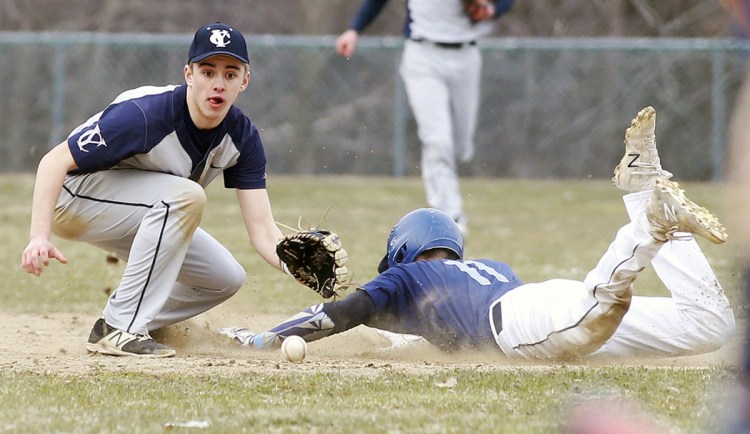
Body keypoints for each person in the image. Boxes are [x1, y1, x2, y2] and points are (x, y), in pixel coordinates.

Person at [220, 106, 736, 359]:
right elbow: (423, 341)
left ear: (402, 254)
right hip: (540, 307)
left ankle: (649, 217)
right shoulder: (480, 273)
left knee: (597, 307)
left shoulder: (407, 282)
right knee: (710, 325)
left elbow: (337, 315)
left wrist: (262, 338)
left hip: (527, 324)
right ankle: (648, 193)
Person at [21, 22, 297, 358]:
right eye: (208, 71)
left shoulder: (241, 137)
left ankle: (145, 323)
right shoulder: (146, 114)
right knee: (185, 196)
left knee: (225, 277)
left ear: (245, 81)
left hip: (145, 209)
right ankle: (119, 326)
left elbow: (263, 231)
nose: (218, 83)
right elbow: (53, 162)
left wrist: (294, 264)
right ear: (189, 74)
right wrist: (39, 235)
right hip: (72, 197)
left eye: (230, 73)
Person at [335, 0, 515, 235]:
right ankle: (451, 217)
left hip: (465, 56)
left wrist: (492, 9)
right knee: (437, 140)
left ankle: (449, 192)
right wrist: (354, 28)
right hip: (423, 56)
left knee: (460, 148)